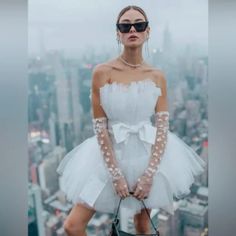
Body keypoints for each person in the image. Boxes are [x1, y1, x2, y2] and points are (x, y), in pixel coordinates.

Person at [56, 5, 206, 236]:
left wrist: (149, 175)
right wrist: (115, 174)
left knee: (143, 227)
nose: (132, 29)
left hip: (147, 156)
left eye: (139, 24)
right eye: (125, 26)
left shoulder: (157, 75)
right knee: (73, 225)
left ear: (148, 32)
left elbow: (162, 128)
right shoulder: (102, 72)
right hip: (106, 158)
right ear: (118, 33)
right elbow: (100, 127)